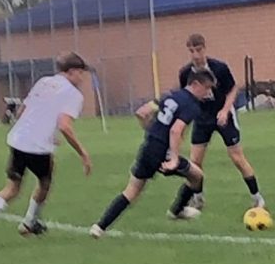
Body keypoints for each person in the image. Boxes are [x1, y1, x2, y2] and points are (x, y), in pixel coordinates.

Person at [0, 53, 92, 247]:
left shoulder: (43, 82)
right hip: (37, 147)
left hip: (18, 139)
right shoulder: (74, 95)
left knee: (11, 188)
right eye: (81, 73)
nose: (82, 78)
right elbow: (65, 125)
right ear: (72, 71)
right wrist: (83, 153)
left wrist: (37, 131)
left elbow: (24, 109)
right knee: (45, 181)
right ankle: (29, 222)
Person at [89, 67, 216, 237]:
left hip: (149, 147)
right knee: (197, 176)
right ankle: (177, 210)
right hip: (164, 152)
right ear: (195, 84)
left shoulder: (170, 95)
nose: (208, 93)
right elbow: (175, 131)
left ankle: (99, 227)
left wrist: (152, 132)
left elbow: (142, 113)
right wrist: (174, 159)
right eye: (206, 88)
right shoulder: (192, 105)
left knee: (131, 191)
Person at [176, 33, 266, 211]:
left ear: (204, 49)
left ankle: (257, 198)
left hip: (223, 117)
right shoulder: (185, 73)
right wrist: (184, 124)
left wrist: (225, 110)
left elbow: (233, 89)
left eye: (198, 50)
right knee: (195, 162)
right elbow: (186, 98)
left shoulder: (219, 68)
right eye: (191, 51)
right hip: (202, 119)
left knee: (237, 158)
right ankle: (198, 199)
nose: (195, 55)